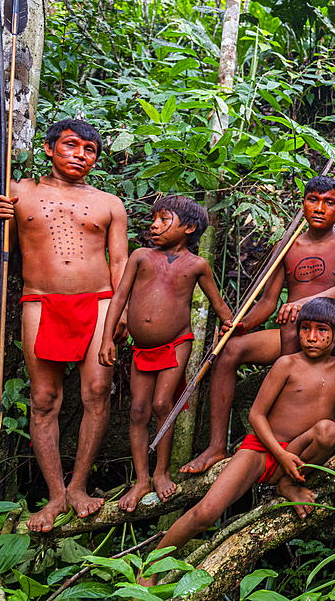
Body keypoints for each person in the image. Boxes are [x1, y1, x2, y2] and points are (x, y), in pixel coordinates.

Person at [141, 298, 335, 585]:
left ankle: (288, 485)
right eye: (305, 328)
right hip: (261, 451)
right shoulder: (286, 363)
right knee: (205, 513)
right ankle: (149, 570)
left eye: (322, 330)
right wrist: (280, 453)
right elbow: (256, 414)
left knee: (328, 431)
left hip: (300, 453)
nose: (311, 337)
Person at [0, 119, 128, 532]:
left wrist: (119, 313)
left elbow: (119, 261)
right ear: (49, 149)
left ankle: (80, 486)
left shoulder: (109, 203)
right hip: (40, 300)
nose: (79, 155)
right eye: (70, 145)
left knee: (98, 390)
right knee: (45, 397)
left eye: (89, 150)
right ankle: (55, 495)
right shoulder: (19, 191)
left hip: (100, 300)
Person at [181, 175, 335, 474]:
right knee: (229, 350)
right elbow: (267, 302)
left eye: (329, 203)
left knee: (293, 321)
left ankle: (282, 434)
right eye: (313, 200)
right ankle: (215, 446)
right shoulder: (287, 245)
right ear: (303, 205)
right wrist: (243, 324)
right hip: (292, 328)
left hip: (329, 333)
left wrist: (302, 305)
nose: (319, 208)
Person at [98, 196, 234, 512]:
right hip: (140, 347)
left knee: (163, 404)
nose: (154, 226)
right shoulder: (140, 256)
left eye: (164, 219)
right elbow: (119, 299)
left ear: (188, 227)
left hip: (177, 342)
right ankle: (141, 479)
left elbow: (219, 304)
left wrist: (231, 323)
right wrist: (107, 339)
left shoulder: (197, 265)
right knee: (138, 410)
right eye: (154, 219)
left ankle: (162, 472)